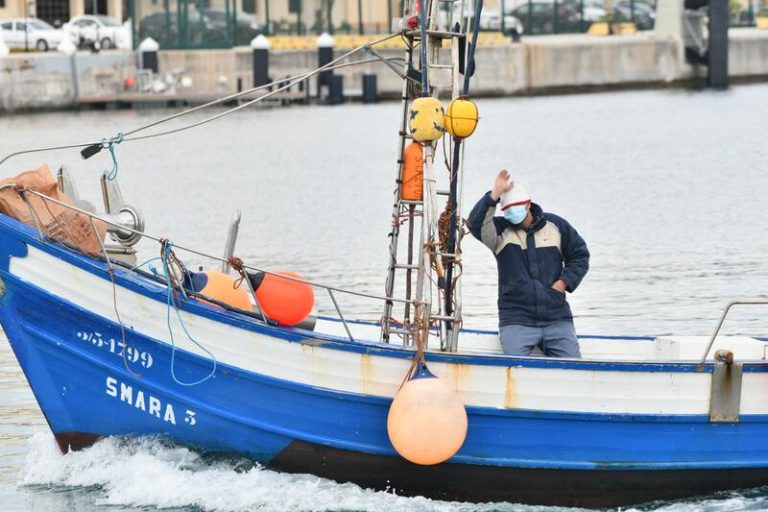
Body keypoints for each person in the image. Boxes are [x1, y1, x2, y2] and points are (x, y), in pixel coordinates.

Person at [467, 169, 589, 358]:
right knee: (515, 367)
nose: (512, 214)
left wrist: (564, 282)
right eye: (507, 210)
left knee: (574, 365)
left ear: (528, 204)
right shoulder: (499, 232)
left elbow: (580, 255)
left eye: (516, 207)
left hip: (557, 317)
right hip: (516, 319)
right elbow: (475, 224)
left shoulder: (555, 225)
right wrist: (494, 195)